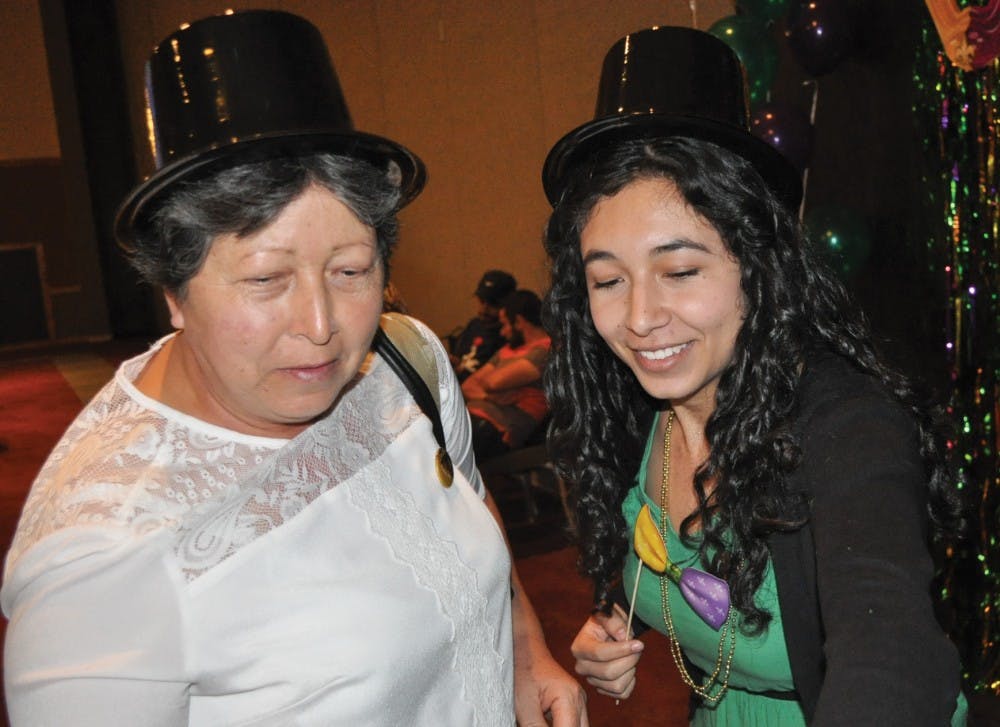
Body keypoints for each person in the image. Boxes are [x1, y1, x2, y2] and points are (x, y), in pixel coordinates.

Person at [1, 11, 586, 726]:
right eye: (265, 280)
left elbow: (465, 501)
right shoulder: (105, 554)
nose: (320, 326)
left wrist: (527, 651)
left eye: (350, 269)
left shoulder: (406, 361)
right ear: (173, 291)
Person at [539, 26, 967, 725]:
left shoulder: (848, 423)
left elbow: (890, 646)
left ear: (756, 268)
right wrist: (614, 618)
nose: (641, 317)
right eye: (608, 279)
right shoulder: (625, 399)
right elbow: (657, 556)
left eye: (680, 271)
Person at [462, 289, 551, 461]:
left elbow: (492, 382)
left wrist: (487, 389)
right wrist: (491, 397)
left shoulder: (545, 350)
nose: (502, 332)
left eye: (504, 324)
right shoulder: (507, 350)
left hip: (500, 428)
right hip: (474, 417)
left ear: (518, 322)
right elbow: (467, 386)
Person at [448, 269, 517, 381]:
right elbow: (462, 359)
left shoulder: (510, 333)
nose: (484, 309)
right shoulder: (475, 325)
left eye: (492, 303)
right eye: (481, 301)